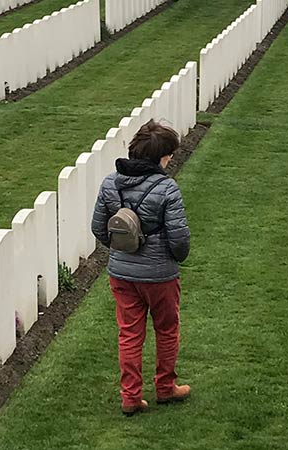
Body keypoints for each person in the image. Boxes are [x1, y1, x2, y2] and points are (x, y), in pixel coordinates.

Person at [91, 120, 192, 417]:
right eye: (169, 154)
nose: (171, 159)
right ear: (160, 157)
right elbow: (179, 240)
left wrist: (125, 249)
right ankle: (165, 388)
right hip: (159, 275)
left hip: (121, 274)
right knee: (167, 329)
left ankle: (131, 397)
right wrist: (171, 257)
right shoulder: (167, 188)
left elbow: (99, 228)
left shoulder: (110, 182)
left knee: (130, 334)